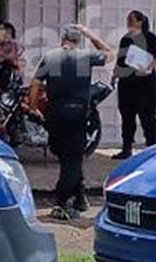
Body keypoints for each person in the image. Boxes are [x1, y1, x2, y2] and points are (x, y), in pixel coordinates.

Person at [28, 23, 111, 220]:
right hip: (77, 113)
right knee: (72, 160)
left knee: (67, 157)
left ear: (62, 39)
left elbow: (35, 83)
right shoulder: (85, 57)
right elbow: (108, 53)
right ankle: (62, 202)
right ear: (78, 40)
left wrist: (32, 108)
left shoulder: (50, 57)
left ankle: (80, 197)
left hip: (55, 113)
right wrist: (89, 32)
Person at [112, 9, 156, 159]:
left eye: (131, 20)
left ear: (140, 22)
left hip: (146, 82)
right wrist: (115, 73)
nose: (129, 23)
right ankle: (127, 148)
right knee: (127, 117)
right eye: (128, 20)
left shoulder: (151, 38)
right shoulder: (126, 39)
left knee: (148, 116)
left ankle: (152, 147)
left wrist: (150, 67)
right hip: (127, 82)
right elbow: (121, 59)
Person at [0, 20, 25, 94]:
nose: (6, 36)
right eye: (3, 31)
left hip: (11, 82)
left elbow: (21, 64)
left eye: (9, 34)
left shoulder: (16, 47)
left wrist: (15, 62)